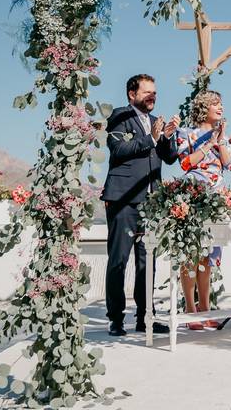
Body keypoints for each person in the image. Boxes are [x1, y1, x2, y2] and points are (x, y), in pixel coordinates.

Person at [102, 74, 180, 337]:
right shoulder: (120, 115)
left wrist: (167, 137)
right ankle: (115, 319)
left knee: (148, 263)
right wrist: (151, 137)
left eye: (154, 93)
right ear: (131, 95)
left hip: (151, 203)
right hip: (123, 199)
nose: (152, 97)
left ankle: (145, 318)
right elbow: (119, 150)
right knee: (119, 261)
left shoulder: (156, 122)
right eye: (147, 92)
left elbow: (169, 158)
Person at [175, 90, 231, 329]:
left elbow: (229, 164)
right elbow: (185, 163)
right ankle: (191, 311)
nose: (220, 108)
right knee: (192, 255)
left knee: (208, 258)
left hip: (217, 200)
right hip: (195, 197)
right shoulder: (187, 134)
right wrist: (208, 143)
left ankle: (205, 310)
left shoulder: (219, 135)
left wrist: (220, 141)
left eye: (221, 104)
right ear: (203, 108)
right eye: (215, 104)